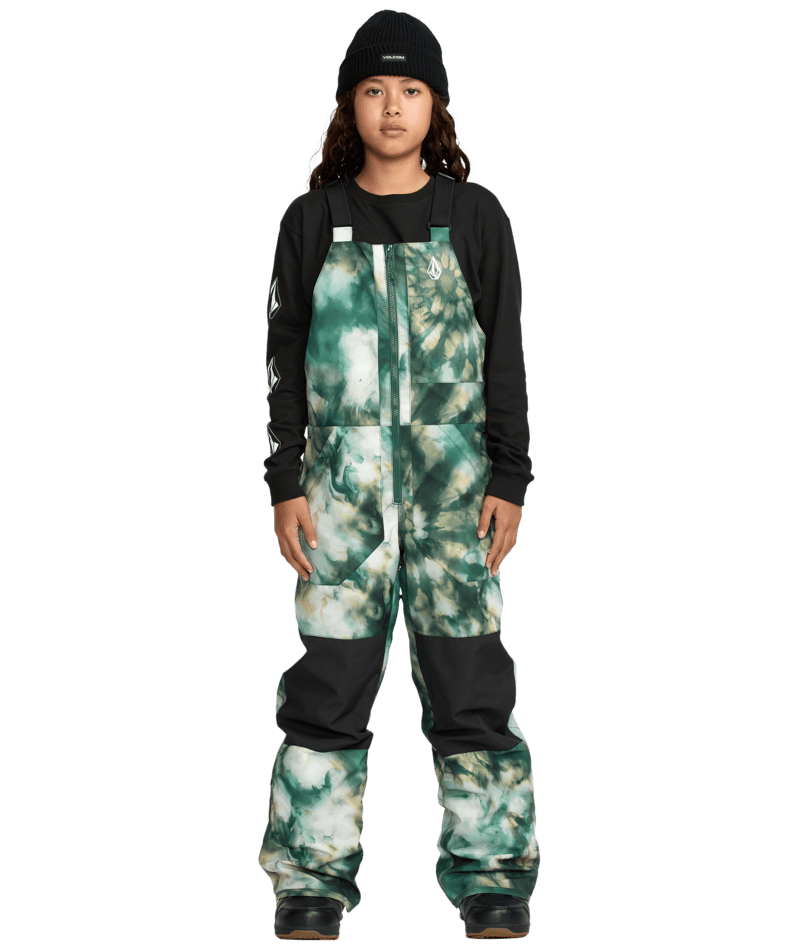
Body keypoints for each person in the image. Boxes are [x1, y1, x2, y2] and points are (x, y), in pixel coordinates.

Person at [257, 9, 541, 941]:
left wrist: (510, 476)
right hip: (339, 496)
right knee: (329, 683)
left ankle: (493, 875)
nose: (391, 106)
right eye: (374, 90)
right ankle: (310, 878)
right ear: (349, 105)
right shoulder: (312, 222)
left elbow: (505, 357)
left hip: (454, 494)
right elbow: (283, 358)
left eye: (411, 89)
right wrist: (285, 480)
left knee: (470, 682)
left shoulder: (475, 218)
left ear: (435, 106)